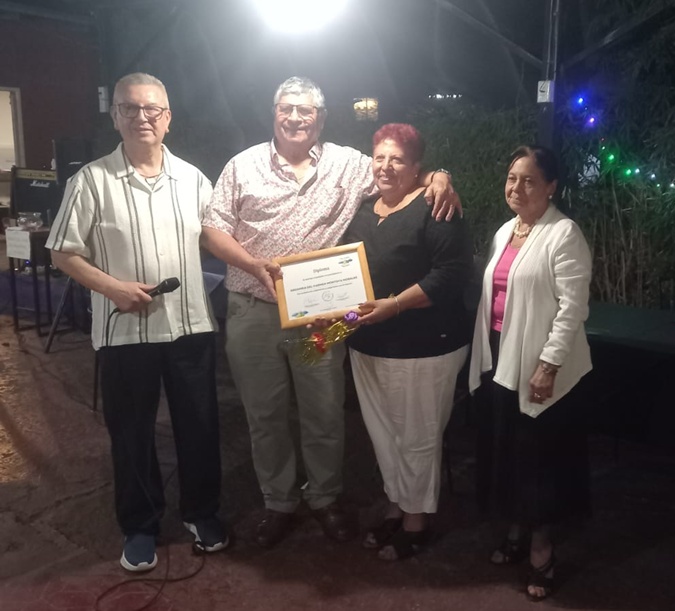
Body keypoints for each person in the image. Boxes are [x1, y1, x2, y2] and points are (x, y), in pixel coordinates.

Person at [201, 77, 458, 549]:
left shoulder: (348, 164)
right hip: (253, 311)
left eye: (306, 111)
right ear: (274, 113)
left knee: (324, 410)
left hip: (322, 318)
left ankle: (324, 498)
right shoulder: (242, 165)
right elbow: (212, 231)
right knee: (264, 414)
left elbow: (398, 173)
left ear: (320, 119)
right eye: (287, 108)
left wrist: (439, 176)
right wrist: (254, 265)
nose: (295, 118)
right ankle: (278, 501)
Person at [46, 73, 228, 572]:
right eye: (130, 108)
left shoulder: (193, 179)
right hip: (124, 330)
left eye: (152, 109)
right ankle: (140, 525)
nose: (142, 117)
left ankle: (202, 513)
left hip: (190, 325)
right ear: (115, 117)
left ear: (168, 118)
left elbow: (215, 237)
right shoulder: (91, 181)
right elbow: (62, 251)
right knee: (131, 433)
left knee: (200, 426)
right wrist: (113, 288)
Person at [341, 123, 472, 560]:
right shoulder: (363, 209)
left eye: (397, 159)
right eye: (379, 157)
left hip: (424, 345)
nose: (386, 166)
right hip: (368, 344)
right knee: (383, 433)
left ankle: (417, 521)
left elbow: (451, 274)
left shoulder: (436, 206)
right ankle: (396, 506)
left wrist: (395, 305)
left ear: (417, 167)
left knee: (416, 436)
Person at [468, 145, 592, 601]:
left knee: (539, 461)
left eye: (529, 180)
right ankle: (516, 531)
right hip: (502, 354)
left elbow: (572, 308)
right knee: (510, 453)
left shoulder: (564, 233)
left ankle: (543, 553)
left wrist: (548, 365)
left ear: (551, 186)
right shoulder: (506, 231)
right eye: (511, 178)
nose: (516, 187)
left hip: (541, 362)